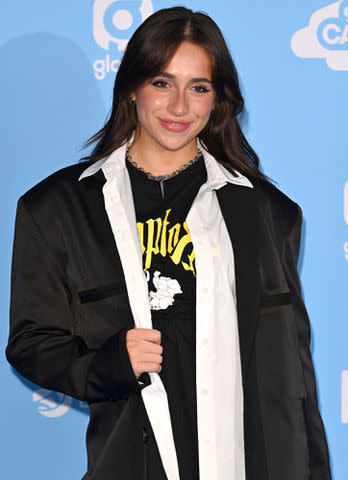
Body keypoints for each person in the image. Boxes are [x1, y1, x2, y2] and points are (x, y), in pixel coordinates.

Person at [6, 6, 331, 480]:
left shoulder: (268, 212)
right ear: (132, 86)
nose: (179, 107)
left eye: (198, 88)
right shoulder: (57, 208)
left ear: (218, 100)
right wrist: (108, 363)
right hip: (130, 463)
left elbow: (294, 376)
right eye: (162, 83)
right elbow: (32, 343)